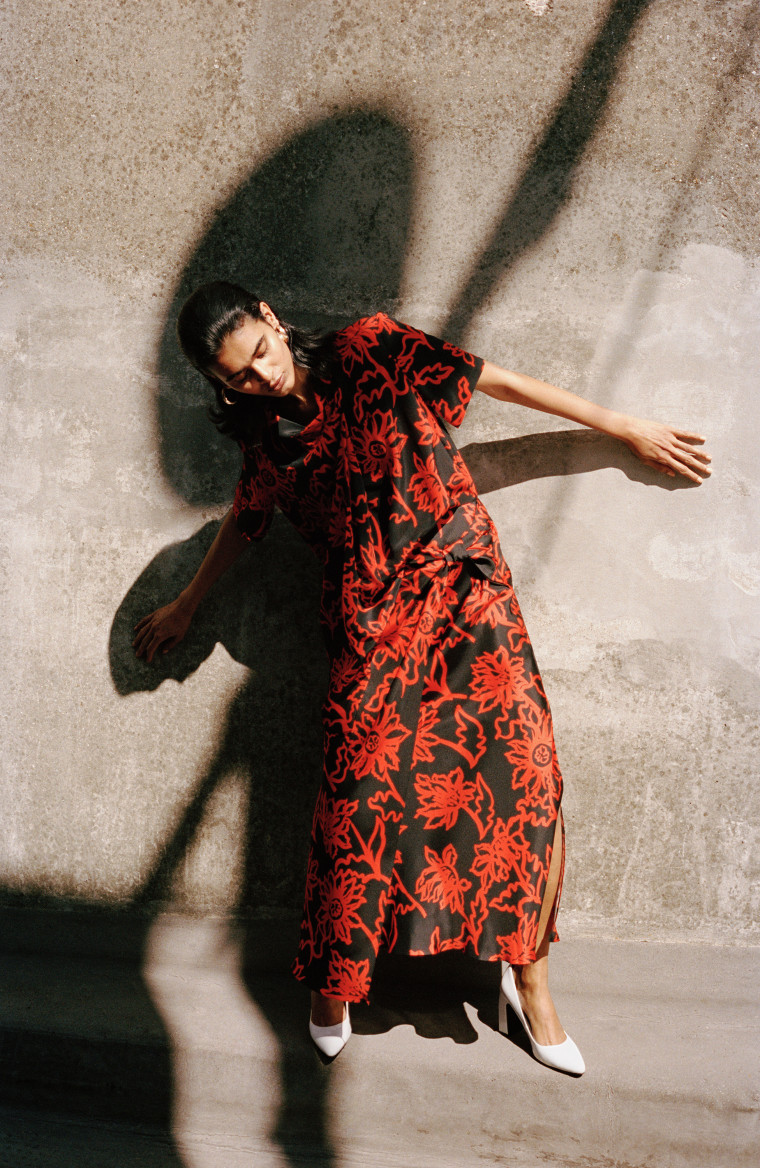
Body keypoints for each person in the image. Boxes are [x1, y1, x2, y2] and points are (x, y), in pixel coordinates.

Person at [134, 282, 710, 1071]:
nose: (261, 376)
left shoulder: (373, 348)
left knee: (530, 784)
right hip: (370, 630)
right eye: (237, 375)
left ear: (271, 319)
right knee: (356, 805)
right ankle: (333, 983)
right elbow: (248, 517)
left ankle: (530, 985)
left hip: (469, 599)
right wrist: (186, 604)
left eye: (261, 353)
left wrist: (622, 426)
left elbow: (494, 380)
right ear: (219, 382)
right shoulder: (266, 441)